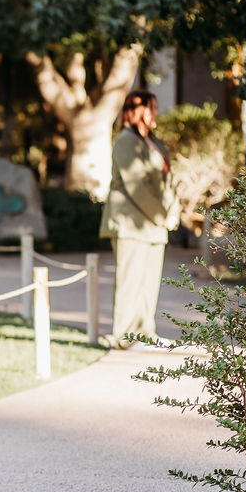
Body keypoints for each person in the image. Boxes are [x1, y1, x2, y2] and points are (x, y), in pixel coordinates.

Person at [98, 90, 179, 349]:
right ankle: (122, 337)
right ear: (136, 111)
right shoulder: (125, 141)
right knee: (130, 282)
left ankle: (146, 333)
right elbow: (135, 186)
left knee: (149, 284)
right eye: (151, 108)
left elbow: (167, 179)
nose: (156, 113)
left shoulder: (152, 141)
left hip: (154, 226)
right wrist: (162, 215)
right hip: (131, 223)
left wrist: (174, 210)